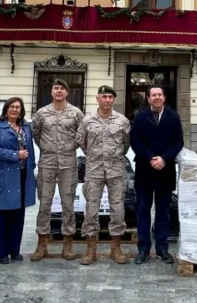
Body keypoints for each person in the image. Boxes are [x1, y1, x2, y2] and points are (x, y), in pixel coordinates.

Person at [30, 78, 85, 261]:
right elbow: (36, 135)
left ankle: (68, 244)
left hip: (68, 162)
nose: (59, 91)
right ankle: (42, 243)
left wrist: (67, 148)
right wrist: (49, 148)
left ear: (67, 92)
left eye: (62, 88)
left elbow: (81, 135)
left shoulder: (76, 113)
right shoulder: (42, 113)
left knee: (68, 204)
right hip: (47, 162)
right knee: (44, 203)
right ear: (51, 92)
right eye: (56, 88)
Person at [76, 85, 131, 265]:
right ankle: (91, 250)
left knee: (117, 210)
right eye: (104, 96)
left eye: (110, 97)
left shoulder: (122, 121)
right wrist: (95, 156)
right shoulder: (87, 120)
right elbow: (82, 143)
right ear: (97, 99)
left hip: (116, 172)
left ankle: (116, 249)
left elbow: (126, 145)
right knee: (91, 210)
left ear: (113, 100)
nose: (107, 100)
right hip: (94, 171)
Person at [129, 86, 184, 264]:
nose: (157, 98)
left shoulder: (173, 117)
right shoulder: (140, 116)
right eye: (153, 95)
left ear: (164, 98)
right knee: (143, 211)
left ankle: (162, 249)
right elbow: (135, 141)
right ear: (148, 98)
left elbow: (178, 142)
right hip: (145, 170)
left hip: (165, 170)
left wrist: (164, 158)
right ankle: (143, 250)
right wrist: (150, 158)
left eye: (159, 95)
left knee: (163, 213)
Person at [0, 97, 37, 265]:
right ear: (6, 109)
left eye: (18, 107)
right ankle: (1, 253)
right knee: (2, 215)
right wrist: (15, 156)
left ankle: (15, 250)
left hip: (21, 175)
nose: (15, 109)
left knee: (18, 215)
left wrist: (31, 165)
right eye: (12, 107)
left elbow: (30, 148)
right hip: (3, 175)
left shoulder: (26, 127)